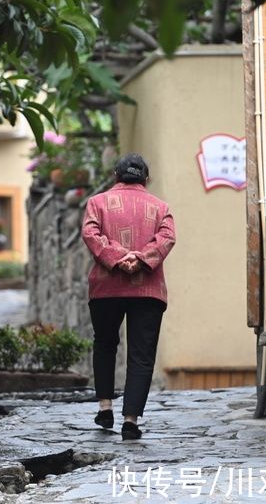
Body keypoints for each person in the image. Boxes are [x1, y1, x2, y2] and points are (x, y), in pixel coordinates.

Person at [81, 153, 175, 440]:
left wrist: (117, 258)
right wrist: (140, 258)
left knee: (105, 343)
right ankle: (131, 421)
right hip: (147, 289)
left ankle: (105, 407)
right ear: (146, 179)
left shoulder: (96, 204)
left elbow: (90, 233)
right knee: (141, 355)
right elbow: (167, 237)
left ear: (115, 175)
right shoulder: (161, 208)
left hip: (106, 287)